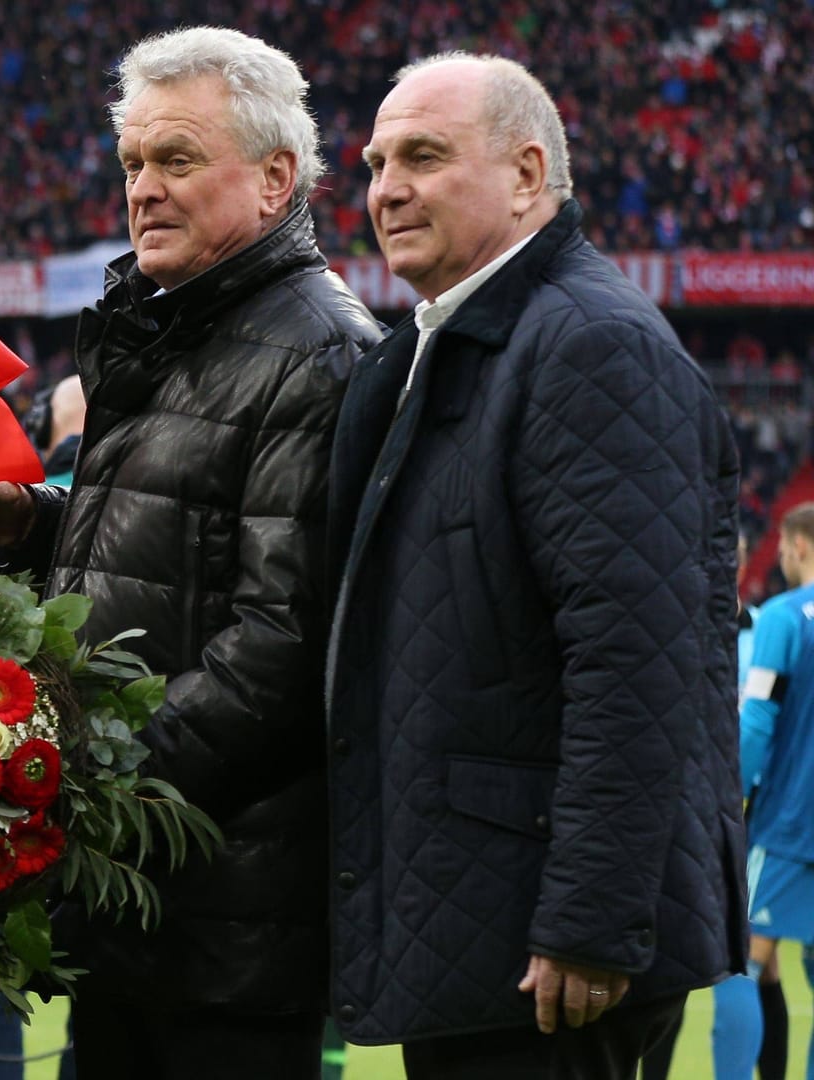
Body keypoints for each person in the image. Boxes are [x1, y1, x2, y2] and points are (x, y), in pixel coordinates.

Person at [0, 27, 382, 1077]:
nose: (143, 189)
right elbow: (181, 556)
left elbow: (282, 647)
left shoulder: (321, 352)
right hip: (139, 911)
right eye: (133, 165)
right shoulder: (179, 331)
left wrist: (88, 789)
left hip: (225, 922)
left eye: (178, 160)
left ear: (277, 177)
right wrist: (39, 528)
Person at [324, 53, 744, 1077]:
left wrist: (591, 917)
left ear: (526, 175)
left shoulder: (591, 344)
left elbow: (636, 659)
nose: (387, 188)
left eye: (424, 156)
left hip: (548, 954)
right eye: (378, 163)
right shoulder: (459, 339)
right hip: (483, 928)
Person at [714, 507, 814, 1080]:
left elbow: (755, 722)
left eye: (784, 547)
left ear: (800, 546)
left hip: (786, 823)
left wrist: (734, 795)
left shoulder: (781, 618)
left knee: (741, 963)